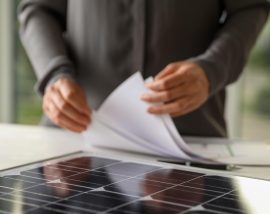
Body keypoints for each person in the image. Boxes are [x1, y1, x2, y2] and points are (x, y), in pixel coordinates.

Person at [18, 0, 269, 136]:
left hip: (192, 138)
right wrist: (54, 75)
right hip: (75, 134)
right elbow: (39, 9)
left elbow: (250, 9)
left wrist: (212, 68)